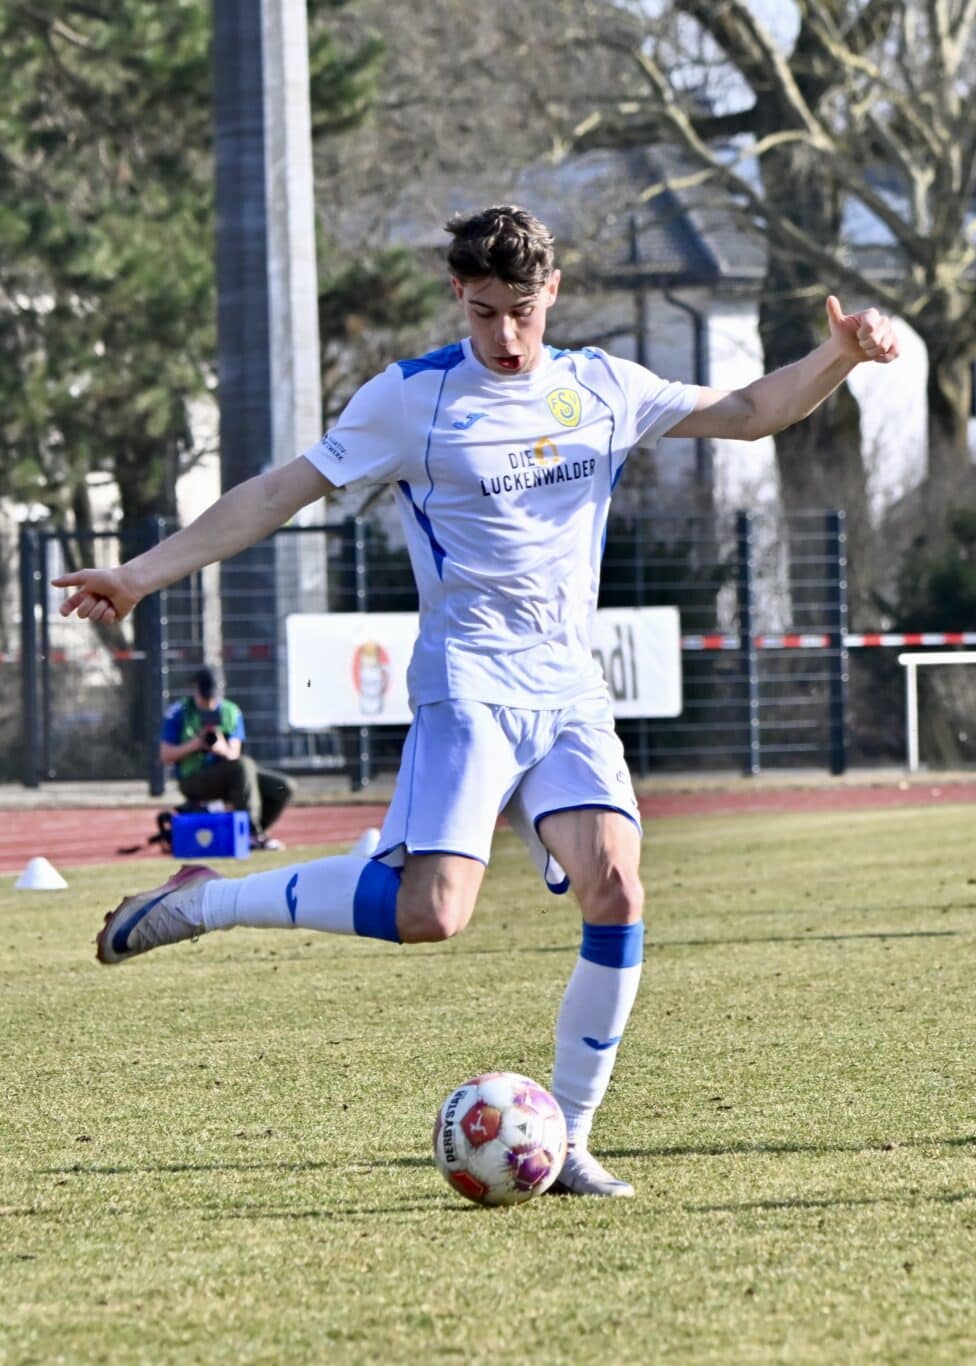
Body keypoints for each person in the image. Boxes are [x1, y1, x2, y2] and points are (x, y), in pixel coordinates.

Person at [55, 205, 900, 1195]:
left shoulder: (598, 386)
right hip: (470, 686)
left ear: (552, 296)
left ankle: (571, 1135)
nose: (506, 336)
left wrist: (837, 356)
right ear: (459, 294)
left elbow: (752, 411)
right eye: (487, 312)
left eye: (523, 312)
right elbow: (278, 491)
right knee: (432, 915)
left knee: (619, 888)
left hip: (570, 688)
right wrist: (146, 574)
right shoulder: (412, 400)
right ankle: (210, 899)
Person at [160, 666, 296, 851]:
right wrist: (196, 744)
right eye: (204, 697)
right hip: (193, 777)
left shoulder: (231, 711)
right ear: (195, 689)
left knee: (283, 787)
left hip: (232, 773)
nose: (209, 703)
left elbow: (234, 754)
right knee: (244, 765)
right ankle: (251, 833)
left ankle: (249, 833)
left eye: (213, 697)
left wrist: (220, 747)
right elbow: (165, 755)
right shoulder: (179, 712)